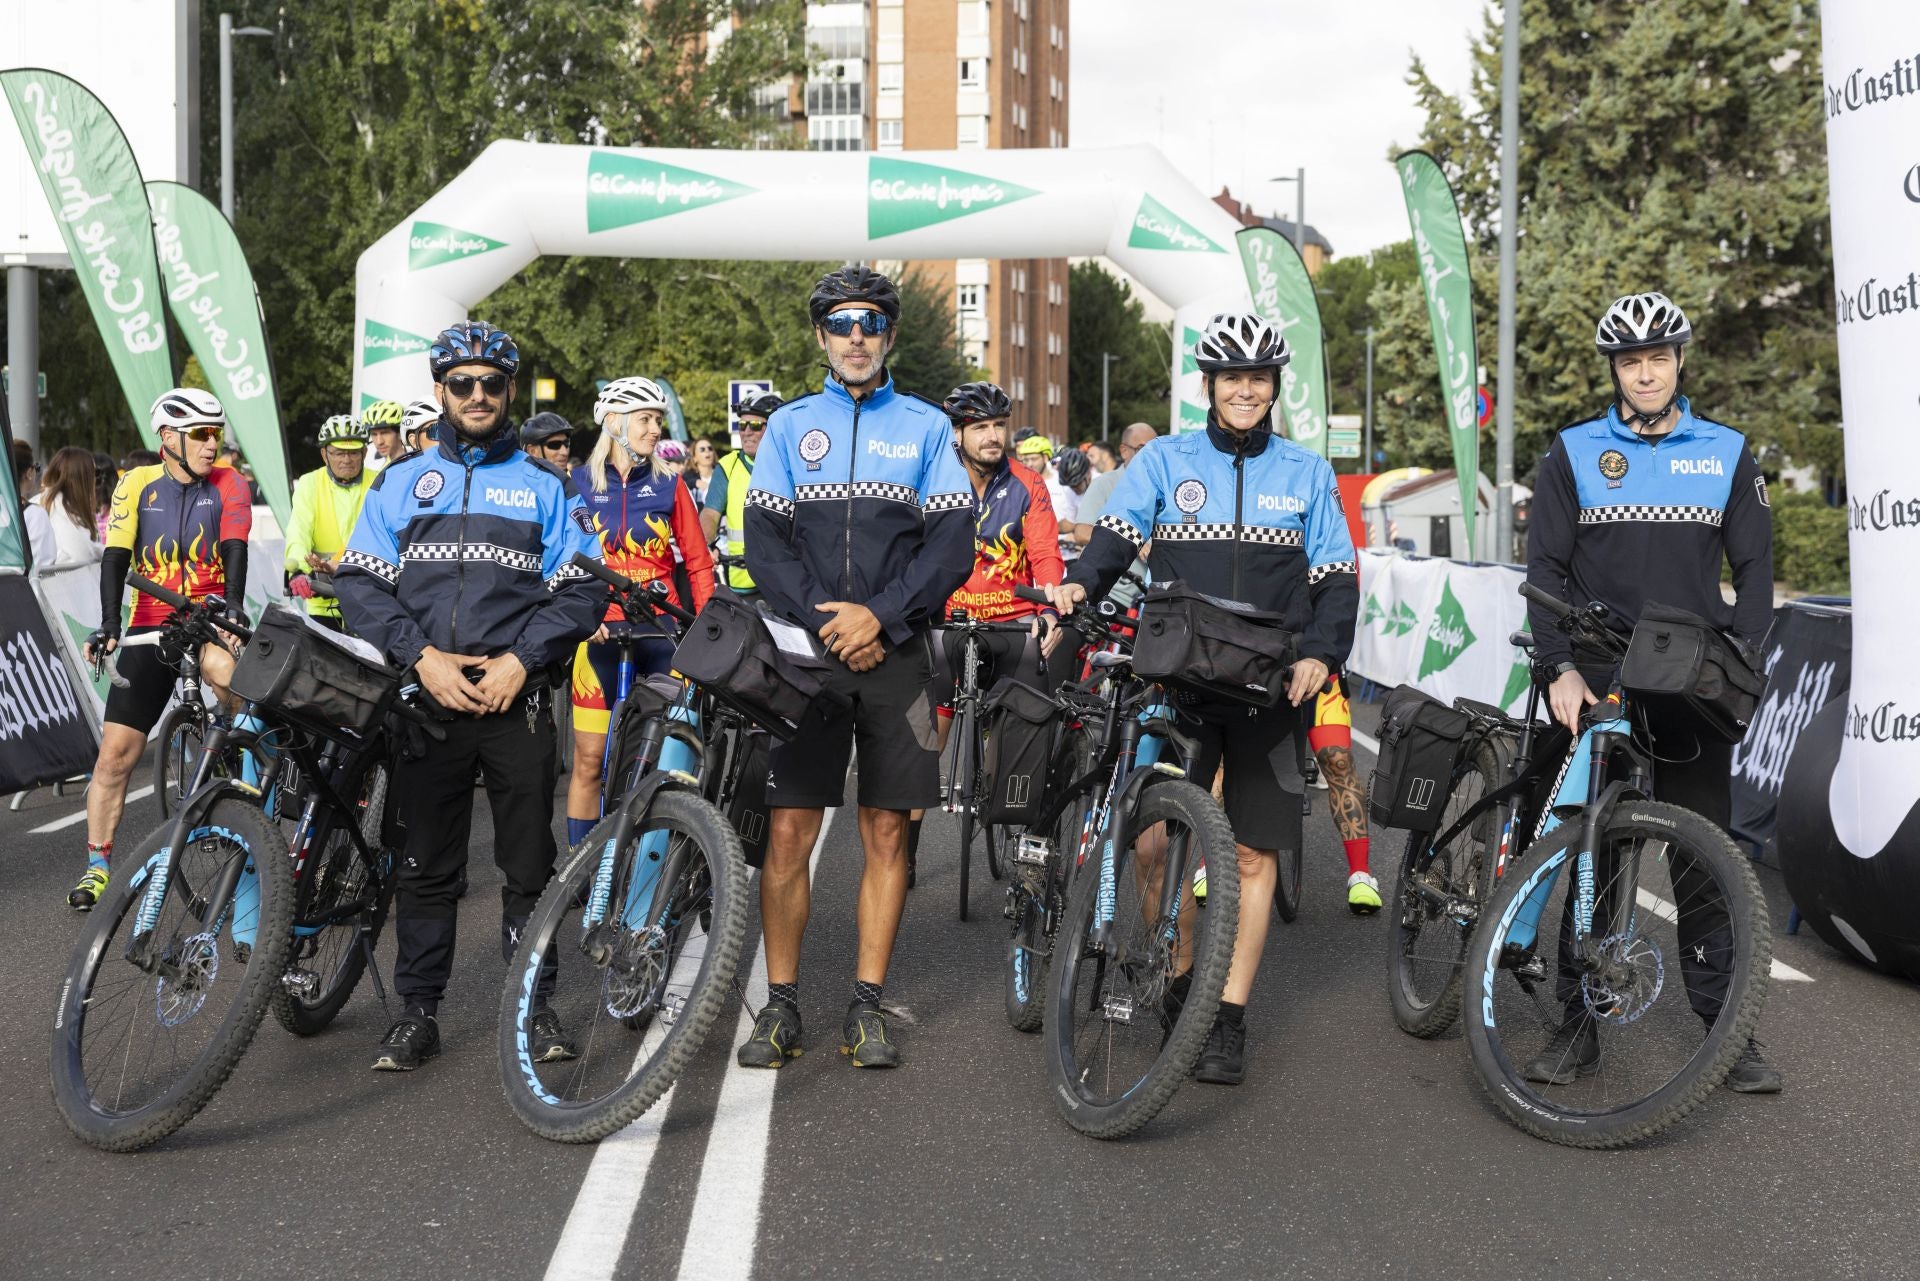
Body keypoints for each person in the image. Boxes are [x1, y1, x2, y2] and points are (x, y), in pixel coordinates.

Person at [1039, 313, 1358, 1087]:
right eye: (1231, 378)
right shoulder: (1166, 460)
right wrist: (1080, 584)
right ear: (1209, 386)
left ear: (1274, 386)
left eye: (1258, 378)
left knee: (1250, 855)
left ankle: (1227, 1016)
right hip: (1177, 675)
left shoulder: (1307, 472)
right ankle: (1183, 981)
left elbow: (1337, 579)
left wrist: (1321, 653)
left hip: (1270, 683)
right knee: (1153, 846)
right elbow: (1115, 539)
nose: (1245, 390)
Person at [1523, 290, 1781, 1094]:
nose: (1645, 373)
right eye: (1631, 361)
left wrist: (1742, 658)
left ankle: (1726, 1028)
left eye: (1657, 359)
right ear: (1614, 369)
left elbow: (1758, 573)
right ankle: (1577, 1023)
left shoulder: (1728, 452)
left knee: (1703, 861)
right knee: (1597, 853)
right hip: (1600, 679)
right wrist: (1558, 667)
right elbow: (1545, 572)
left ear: (1678, 362)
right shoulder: (1573, 451)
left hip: (1689, 683)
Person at [336, 321, 603, 1072]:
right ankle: (417, 1011)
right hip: (429, 699)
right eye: (462, 383)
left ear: (510, 390)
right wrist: (420, 658)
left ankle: (534, 1007)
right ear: (440, 391)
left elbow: (583, 589)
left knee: (528, 865)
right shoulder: (398, 481)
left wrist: (523, 659)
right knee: (425, 867)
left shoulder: (549, 485)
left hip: (517, 699)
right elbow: (359, 583)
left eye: (491, 382)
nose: (477, 394)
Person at [736, 265, 973, 1071]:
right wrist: (830, 622)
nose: (857, 337)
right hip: (808, 656)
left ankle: (867, 1004)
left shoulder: (928, 428)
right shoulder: (788, 427)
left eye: (871, 322)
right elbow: (764, 545)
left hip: (898, 656)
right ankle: (781, 1004)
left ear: (890, 334)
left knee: (886, 830)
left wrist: (884, 616)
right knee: (787, 831)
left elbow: (952, 546)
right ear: (821, 336)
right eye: (841, 323)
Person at [73, 389, 253, 911]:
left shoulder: (229, 483)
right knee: (114, 757)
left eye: (216, 433)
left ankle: (244, 769)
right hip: (153, 623)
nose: (212, 443)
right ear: (169, 437)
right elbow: (115, 557)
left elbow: (234, 546)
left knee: (231, 681)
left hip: (209, 616)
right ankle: (97, 866)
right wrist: (110, 624)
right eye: (201, 434)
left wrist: (234, 608)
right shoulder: (136, 483)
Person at [904, 381, 1068, 883]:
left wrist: (1051, 608)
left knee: (1031, 730)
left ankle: (1031, 843)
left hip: (1014, 623)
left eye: (998, 425)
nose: (993, 436)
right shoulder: (932, 479)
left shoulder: (1028, 483)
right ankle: (905, 852)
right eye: (980, 427)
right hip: (948, 623)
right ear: (957, 433)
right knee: (927, 737)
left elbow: (1045, 555)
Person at [562, 376, 715, 852]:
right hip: (600, 635)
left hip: (661, 633)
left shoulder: (671, 484)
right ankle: (581, 870)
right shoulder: (578, 485)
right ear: (614, 422)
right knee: (589, 761)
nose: (655, 429)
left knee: (668, 765)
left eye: (658, 420)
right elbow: (562, 560)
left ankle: (652, 869)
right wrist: (583, 618)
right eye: (645, 419)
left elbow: (698, 562)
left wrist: (706, 632)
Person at [284, 415, 376, 632]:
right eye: (338, 453)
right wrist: (298, 571)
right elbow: (299, 531)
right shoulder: (310, 483)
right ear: (324, 454)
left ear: (364, 453)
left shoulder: (380, 480)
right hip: (324, 600)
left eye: (353, 452)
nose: (347, 459)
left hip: (370, 598)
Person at [1071, 421, 1158, 605]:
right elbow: (1081, 532)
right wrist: (1133, 539)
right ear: (1124, 451)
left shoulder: (1161, 487)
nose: (1151, 455)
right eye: (1143, 449)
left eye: (1156, 449)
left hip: (1150, 596)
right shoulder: (1104, 484)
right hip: (1114, 594)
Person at [702, 391, 779, 596]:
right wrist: (706, 543)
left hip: (784, 580)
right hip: (743, 581)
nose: (746, 432)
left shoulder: (789, 464)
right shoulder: (728, 466)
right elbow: (710, 514)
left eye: (754, 425)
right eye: (742, 425)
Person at [25, 446, 102, 573]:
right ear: (81, 478)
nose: (95, 479)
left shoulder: (44, 501)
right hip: (58, 582)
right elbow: (82, 554)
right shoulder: (57, 507)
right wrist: (103, 553)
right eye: (94, 473)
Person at [1049, 448, 1090, 561]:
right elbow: (1070, 523)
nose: (1073, 488)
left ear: (1088, 473)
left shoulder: (1101, 485)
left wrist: (1077, 535)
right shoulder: (1070, 492)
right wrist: (1048, 528)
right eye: (1070, 485)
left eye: (1076, 484)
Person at [362, 399, 406, 471]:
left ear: (400, 432)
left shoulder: (417, 463)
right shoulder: (373, 466)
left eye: (384, 433)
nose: (379, 442)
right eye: (374, 434)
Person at [688, 434, 720, 508]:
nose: (707, 451)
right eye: (702, 449)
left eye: (710, 448)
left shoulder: (722, 475)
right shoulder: (687, 477)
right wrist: (694, 483)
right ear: (694, 458)